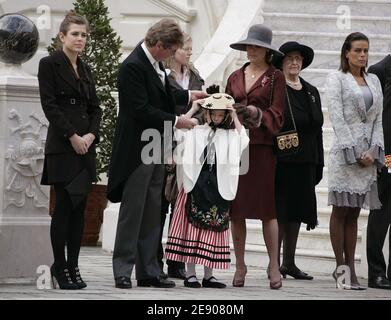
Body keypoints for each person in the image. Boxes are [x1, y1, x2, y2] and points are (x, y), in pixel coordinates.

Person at [107, 19, 207, 289]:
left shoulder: (155, 63)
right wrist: (177, 122)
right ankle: (123, 270)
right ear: (159, 45)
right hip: (137, 151)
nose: (173, 55)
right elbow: (141, 110)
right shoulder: (132, 66)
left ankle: (149, 271)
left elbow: (161, 96)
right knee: (133, 211)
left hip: (156, 148)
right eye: (171, 49)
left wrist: (189, 96)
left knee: (152, 211)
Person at [38, 11, 102, 289]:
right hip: (63, 147)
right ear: (62, 36)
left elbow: (96, 109)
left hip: (85, 148)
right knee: (64, 207)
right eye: (75, 34)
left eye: (84, 34)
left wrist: (90, 135)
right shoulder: (49, 64)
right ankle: (59, 268)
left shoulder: (86, 69)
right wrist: (73, 136)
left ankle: (74, 267)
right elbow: (50, 105)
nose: (80, 39)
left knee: (80, 209)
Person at [165, 94, 249, 288]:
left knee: (212, 230)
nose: (218, 118)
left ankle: (209, 275)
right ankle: (191, 274)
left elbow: (243, 139)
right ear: (208, 114)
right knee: (192, 230)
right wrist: (193, 108)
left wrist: (235, 115)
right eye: (215, 115)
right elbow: (177, 132)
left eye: (222, 115)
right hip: (195, 185)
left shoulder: (229, 135)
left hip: (217, 189)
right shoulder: (196, 130)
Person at [226, 24, 286, 289]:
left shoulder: (276, 77)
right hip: (236, 148)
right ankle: (240, 265)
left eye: (256, 46)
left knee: (267, 210)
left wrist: (255, 113)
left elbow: (278, 114)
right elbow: (226, 105)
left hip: (262, 148)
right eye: (248, 45)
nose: (251, 50)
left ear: (267, 50)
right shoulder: (235, 75)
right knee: (235, 209)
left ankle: (274, 265)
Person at [325, 32, 384, 290]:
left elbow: (378, 120)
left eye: (366, 51)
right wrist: (355, 151)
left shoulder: (374, 80)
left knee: (355, 214)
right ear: (346, 53)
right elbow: (337, 118)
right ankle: (341, 270)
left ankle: (352, 268)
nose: (362, 55)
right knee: (340, 211)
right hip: (345, 155)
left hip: (368, 158)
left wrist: (373, 150)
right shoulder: (336, 78)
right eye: (358, 50)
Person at [271, 42, 324, 280]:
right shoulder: (276, 88)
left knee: (297, 212)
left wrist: (319, 161)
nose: (295, 62)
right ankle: (274, 263)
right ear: (282, 62)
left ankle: (289, 263)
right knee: (281, 210)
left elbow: (318, 129)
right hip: (283, 159)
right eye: (290, 58)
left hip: (306, 158)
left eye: (298, 59)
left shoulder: (311, 91)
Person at [157, 33, 205, 280]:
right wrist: (167, 152)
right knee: (159, 204)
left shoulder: (196, 77)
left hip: (190, 146)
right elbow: (161, 112)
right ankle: (155, 259)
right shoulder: (163, 76)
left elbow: (204, 113)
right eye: (185, 48)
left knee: (181, 206)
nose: (188, 52)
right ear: (173, 49)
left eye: (191, 49)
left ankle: (176, 262)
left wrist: (194, 123)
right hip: (164, 142)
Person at [366, 55, 391, 290]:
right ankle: (376, 272)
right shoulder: (380, 70)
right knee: (382, 209)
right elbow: (372, 116)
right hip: (389, 154)